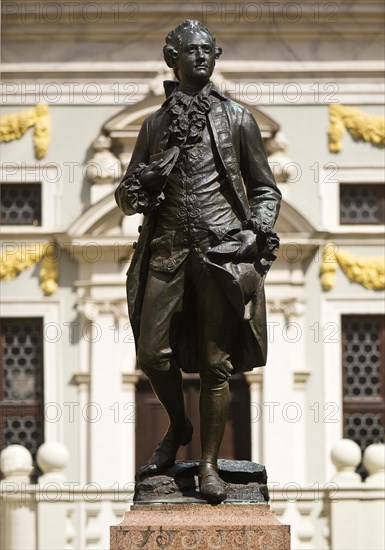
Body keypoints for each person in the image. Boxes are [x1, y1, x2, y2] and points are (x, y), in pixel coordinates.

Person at [115, 19, 281, 504]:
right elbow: (125, 199)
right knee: (151, 354)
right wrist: (139, 186)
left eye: (210, 50)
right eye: (192, 50)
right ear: (173, 57)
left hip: (220, 253)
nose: (203, 57)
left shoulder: (238, 119)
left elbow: (265, 189)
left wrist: (256, 228)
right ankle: (180, 424)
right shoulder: (154, 124)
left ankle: (208, 465)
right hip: (166, 251)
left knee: (216, 363)